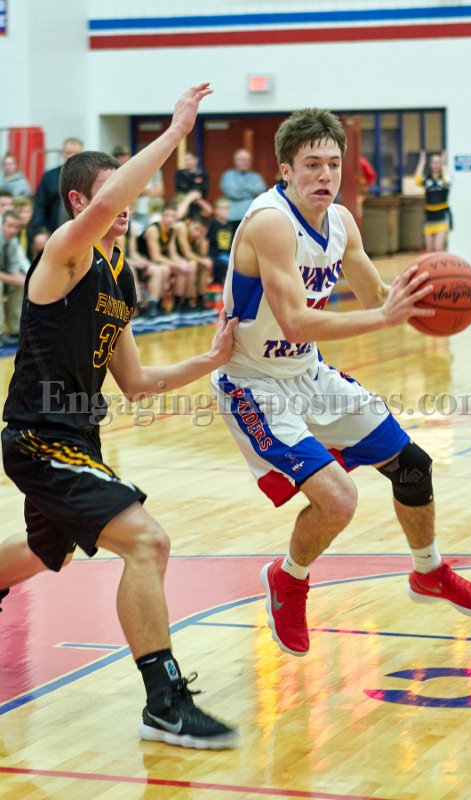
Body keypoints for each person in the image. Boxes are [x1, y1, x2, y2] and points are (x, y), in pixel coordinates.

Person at [212, 108, 471, 658]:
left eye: (333, 163)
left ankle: (429, 571)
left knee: (412, 465)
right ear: (285, 170)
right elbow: (296, 321)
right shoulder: (271, 223)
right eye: (312, 164)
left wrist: (423, 299)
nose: (325, 174)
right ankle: (288, 578)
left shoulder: (341, 221)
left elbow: (376, 297)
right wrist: (384, 317)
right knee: (339, 501)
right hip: (253, 383)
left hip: (306, 371)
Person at [0, 83, 239, 750]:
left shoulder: (121, 276)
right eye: (115, 192)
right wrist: (174, 134)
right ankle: (164, 703)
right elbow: (110, 202)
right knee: (146, 541)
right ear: (81, 202)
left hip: (79, 439)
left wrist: (209, 360)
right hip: (39, 438)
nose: (128, 204)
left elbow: (135, 382)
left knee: (45, 553)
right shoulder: (64, 254)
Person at [136, 202, 194, 312]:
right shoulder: (153, 229)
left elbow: (173, 254)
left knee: (187, 267)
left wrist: (182, 263)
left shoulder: (172, 230)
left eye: (173, 216)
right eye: (167, 215)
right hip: (144, 260)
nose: (170, 219)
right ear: (161, 216)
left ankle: (180, 303)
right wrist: (177, 265)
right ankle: (154, 304)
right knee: (164, 269)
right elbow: (155, 257)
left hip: (158, 261)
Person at [29, 137, 84, 238]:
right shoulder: (49, 176)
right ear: (62, 153)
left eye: (76, 154)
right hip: (51, 232)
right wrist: (39, 232)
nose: (72, 156)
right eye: (69, 152)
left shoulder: (88, 178)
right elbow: (40, 206)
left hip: (81, 232)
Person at [220, 148, 267, 232]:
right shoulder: (228, 176)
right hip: (232, 219)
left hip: (252, 217)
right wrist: (251, 191)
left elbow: (261, 190)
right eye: (242, 160)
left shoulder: (256, 176)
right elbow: (233, 193)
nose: (245, 162)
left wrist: (240, 188)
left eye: (247, 160)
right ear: (235, 161)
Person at [415, 150, 451, 252]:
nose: (436, 165)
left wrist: (444, 165)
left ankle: (444, 262)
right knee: (430, 249)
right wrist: (421, 163)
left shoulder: (444, 178)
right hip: (429, 217)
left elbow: (447, 181)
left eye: (438, 162)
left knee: (438, 247)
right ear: (430, 164)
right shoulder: (427, 179)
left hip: (442, 217)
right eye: (434, 162)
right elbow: (417, 180)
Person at [174, 215, 213, 309]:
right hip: (172, 258)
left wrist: (202, 238)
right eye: (196, 229)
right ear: (190, 223)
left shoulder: (199, 235)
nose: (197, 233)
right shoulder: (182, 227)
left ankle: (200, 299)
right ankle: (185, 301)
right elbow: (187, 253)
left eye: (202, 231)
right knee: (193, 265)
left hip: (184, 260)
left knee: (204, 266)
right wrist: (203, 261)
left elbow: (203, 254)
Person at [0, 210, 26, 345]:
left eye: (16, 227)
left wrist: (26, 281)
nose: (13, 230)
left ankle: (15, 329)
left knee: (20, 285)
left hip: (4, 276)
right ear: (2, 224)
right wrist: (18, 280)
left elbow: (14, 270)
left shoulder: (13, 241)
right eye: (10, 226)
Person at [174, 149, 212, 218]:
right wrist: (192, 194)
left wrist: (195, 196)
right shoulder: (180, 173)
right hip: (183, 199)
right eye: (185, 160)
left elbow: (204, 190)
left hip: (198, 201)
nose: (186, 162)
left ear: (196, 160)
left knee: (208, 210)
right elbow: (179, 188)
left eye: (188, 159)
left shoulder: (204, 175)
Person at [207, 197, 234, 285]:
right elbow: (206, 242)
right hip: (214, 255)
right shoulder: (212, 224)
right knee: (223, 264)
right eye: (222, 208)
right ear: (216, 210)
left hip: (227, 254)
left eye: (227, 208)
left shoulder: (230, 225)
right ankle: (217, 285)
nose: (225, 210)